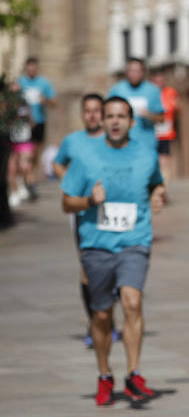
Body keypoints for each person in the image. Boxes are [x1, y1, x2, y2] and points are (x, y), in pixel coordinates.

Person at [61, 96, 166, 406]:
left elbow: (156, 184)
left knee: (132, 301)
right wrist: (89, 201)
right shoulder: (86, 157)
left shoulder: (146, 154)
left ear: (132, 122)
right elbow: (67, 202)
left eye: (122, 116)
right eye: (110, 116)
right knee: (103, 314)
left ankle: (133, 373)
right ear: (102, 121)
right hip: (96, 245)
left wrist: (159, 195)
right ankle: (104, 374)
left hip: (135, 240)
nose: (116, 121)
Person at [54, 93, 120, 348]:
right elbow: (58, 165)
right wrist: (72, 182)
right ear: (82, 114)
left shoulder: (112, 140)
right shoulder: (73, 141)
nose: (92, 115)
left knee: (113, 266)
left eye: (96, 111)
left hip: (112, 212)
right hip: (82, 211)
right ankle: (95, 323)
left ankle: (107, 319)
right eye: (88, 111)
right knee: (88, 268)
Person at [18, 56, 57, 200]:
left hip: (40, 122)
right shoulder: (20, 82)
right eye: (29, 67)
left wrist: (45, 100)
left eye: (34, 67)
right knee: (25, 153)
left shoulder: (44, 83)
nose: (31, 70)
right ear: (26, 68)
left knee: (35, 153)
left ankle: (28, 176)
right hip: (24, 124)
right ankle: (29, 181)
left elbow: (54, 102)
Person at [108, 57, 164, 150]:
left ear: (143, 72)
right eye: (131, 71)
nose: (134, 74)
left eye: (137, 71)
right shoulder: (117, 89)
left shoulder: (152, 90)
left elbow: (162, 118)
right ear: (126, 72)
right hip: (122, 144)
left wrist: (149, 115)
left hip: (146, 144)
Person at [6, 82, 35, 208]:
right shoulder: (6, 106)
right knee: (12, 169)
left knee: (24, 166)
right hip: (11, 140)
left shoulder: (25, 105)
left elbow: (31, 121)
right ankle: (13, 191)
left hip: (24, 138)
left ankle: (23, 184)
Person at [151, 71, 178, 189]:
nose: (159, 84)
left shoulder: (170, 93)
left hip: (165, 133)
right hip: (150, 133)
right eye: (156, 82)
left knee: (164, 162)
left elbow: (177, 108)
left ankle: (163, 188)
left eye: (161, 81)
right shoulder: (149, 94)